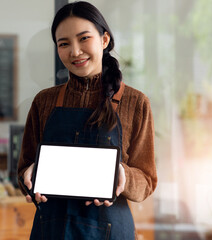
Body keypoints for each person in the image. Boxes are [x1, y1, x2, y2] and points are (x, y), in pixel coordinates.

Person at [17, 1, 157, 239]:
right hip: (51, 230)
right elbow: (24, 170)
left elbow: (147, 181)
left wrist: (123, 174)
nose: (75, 51)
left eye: (84, 39)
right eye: (64, 44)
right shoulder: (44, 101)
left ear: (104, 40)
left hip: (110, 231)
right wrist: (30, 175)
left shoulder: (135, 102)